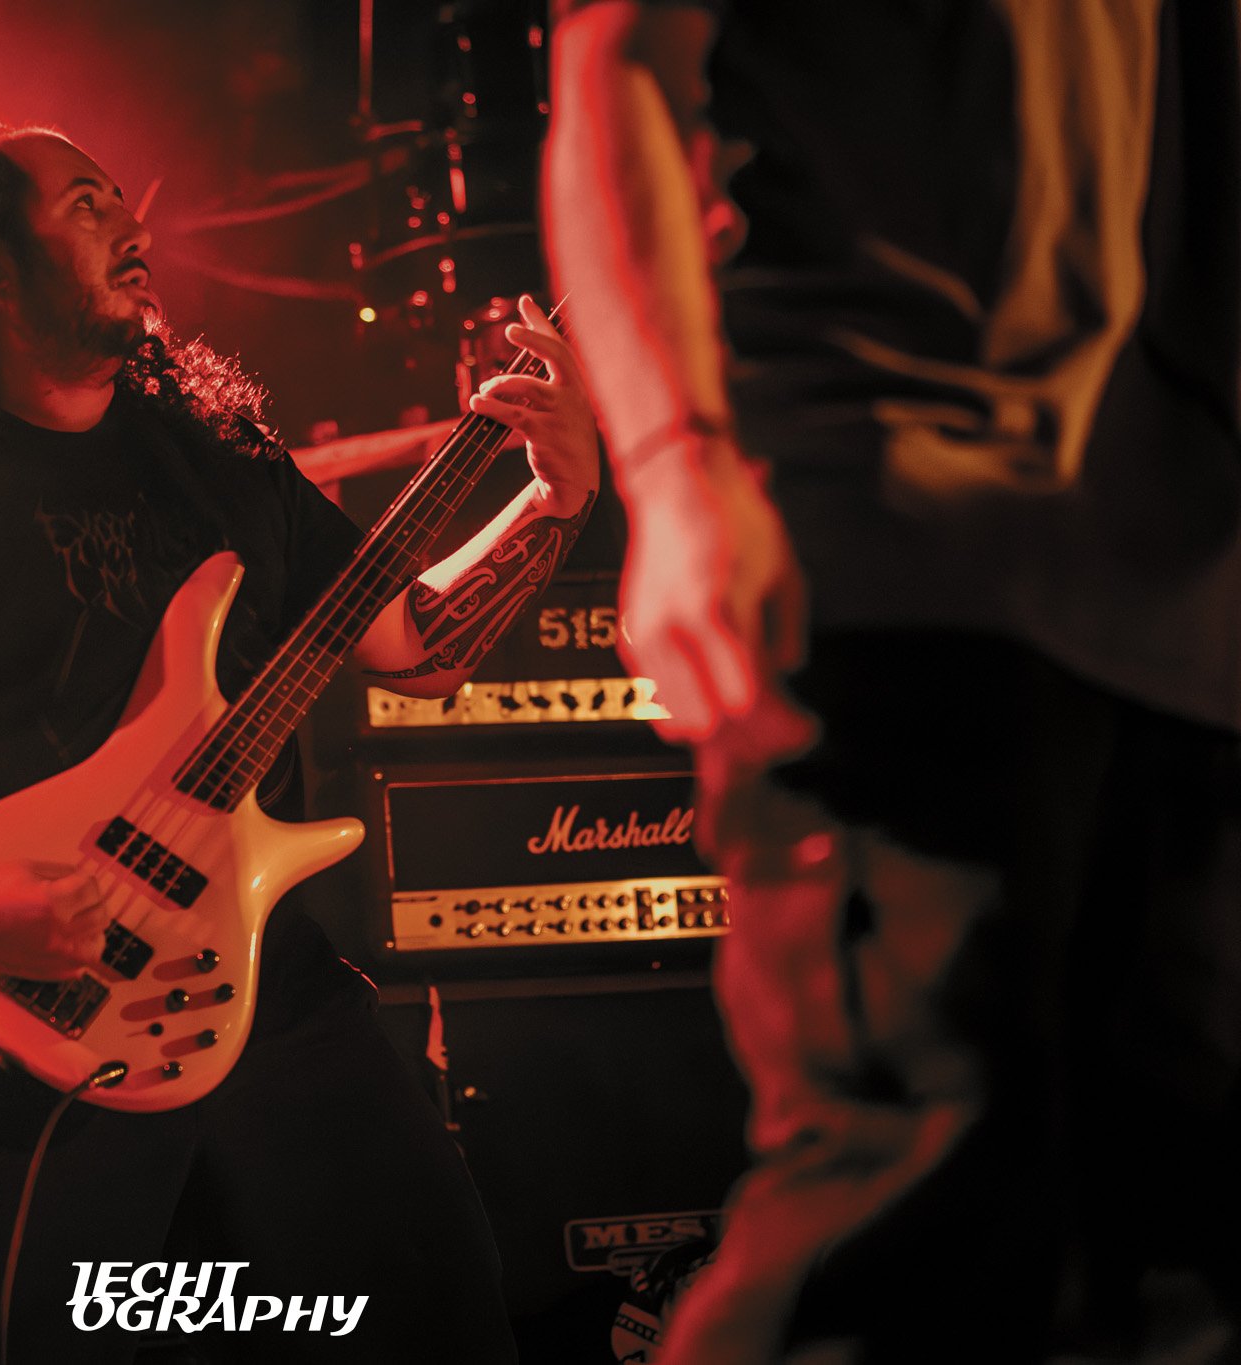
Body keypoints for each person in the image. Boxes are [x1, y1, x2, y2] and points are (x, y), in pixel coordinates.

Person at [0, 124, 602, 1363]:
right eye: (85, 206)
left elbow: (410, 642)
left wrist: (553, 500)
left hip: (255, 989)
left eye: (121, 199)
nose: (131, 225)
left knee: (426, 1311)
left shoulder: (216, 456)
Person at [546, 3, 1241, 1362]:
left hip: (1192, 611)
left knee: (1174, 1258)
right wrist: (675, 467)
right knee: (907, 1221)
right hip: (903, 549)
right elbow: (620, 56)